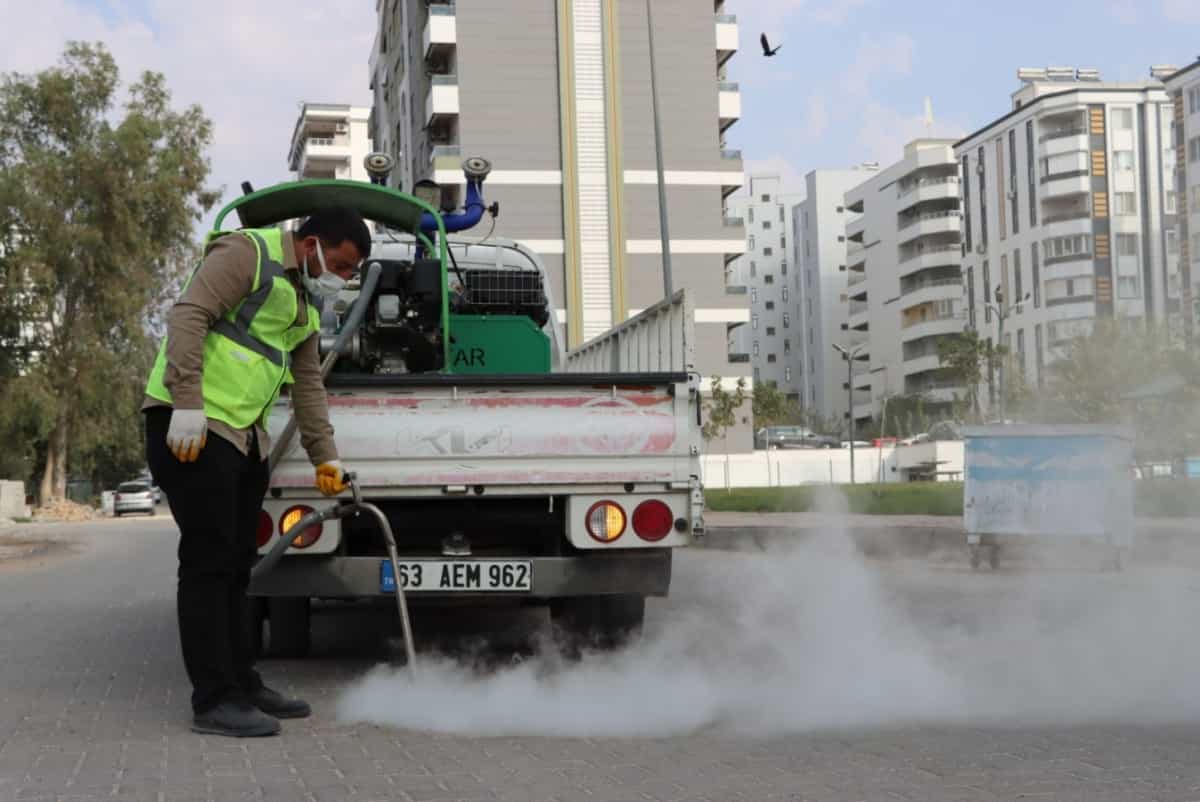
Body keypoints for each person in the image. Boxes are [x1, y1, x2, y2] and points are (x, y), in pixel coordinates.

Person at [143, 208, 370, 737]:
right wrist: (186, 402)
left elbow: (308, 382)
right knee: (208, 563)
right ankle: (213, 700)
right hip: (191, 427)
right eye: (337, 264)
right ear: (312, 242)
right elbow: (189, 316)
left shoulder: (304, 302)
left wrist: (325, 458)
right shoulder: (247, 253)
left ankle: (241, 683)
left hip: (243, 438)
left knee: (239, 565)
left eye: (349, 272)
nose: (339, 278)